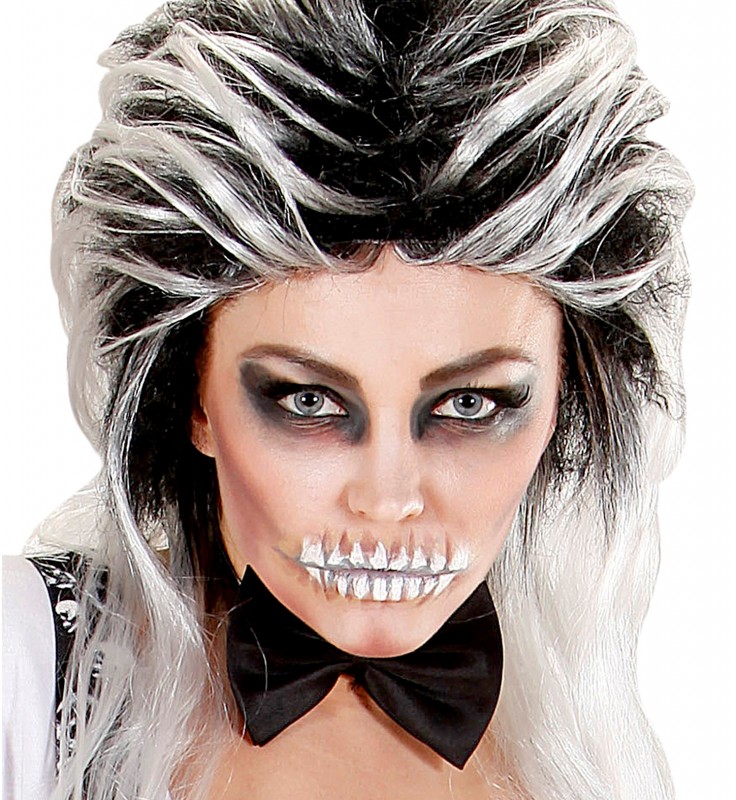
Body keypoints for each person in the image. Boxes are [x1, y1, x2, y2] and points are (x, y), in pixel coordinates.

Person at [2, 1, 693, 798]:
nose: (388, 499)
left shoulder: (581, 748)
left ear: (564, 402)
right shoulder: (25, 668)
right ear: (191, 395)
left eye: (470, 405)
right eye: (307, 402)